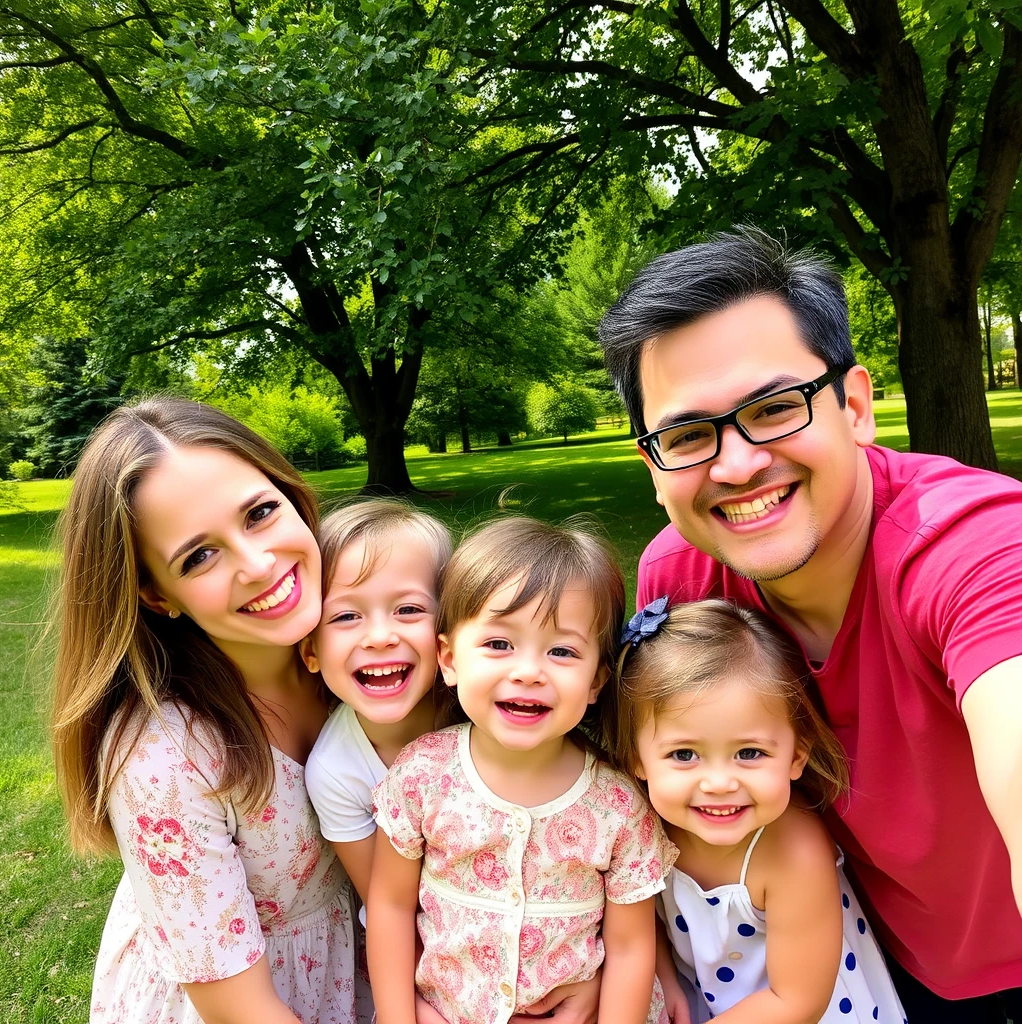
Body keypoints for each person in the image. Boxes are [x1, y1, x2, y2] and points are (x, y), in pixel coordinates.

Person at [598, 226, 1022, 1021]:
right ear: (652, 466)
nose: (736, 464)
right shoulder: (680, 581)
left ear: (854, 406)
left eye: (773, 407)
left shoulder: (975, 547)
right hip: (873, 957)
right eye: (687, 434)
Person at [50, 398, 368, 1024]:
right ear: (156, 595)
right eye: (198, 556)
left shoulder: (361, 654)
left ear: (291, 494)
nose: (257, 565)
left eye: (259, 513)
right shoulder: (162, 761)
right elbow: (243, 1013)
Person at [367, 518, 676, 1024]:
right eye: (499, 644)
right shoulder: (422, 776)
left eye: (562, 651)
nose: (529, 671)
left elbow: (630, 948)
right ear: (448, 659)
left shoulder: (618, 807)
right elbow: (390, 908)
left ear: (597, 679)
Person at [613, 597, 905, 1024]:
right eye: (683, 754)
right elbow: (638, 915)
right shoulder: (646, 825)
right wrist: (665, 977)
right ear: (637, 759)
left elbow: (796, 1002)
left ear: (795, 756)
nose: (718, 783)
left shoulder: (793, 853)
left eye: (749, 752)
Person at [302, 498, 453, 906]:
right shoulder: (338, 772)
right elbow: (390, 907)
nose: (379, 636)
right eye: (346, 616)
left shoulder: (482, 713)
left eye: (408, 609)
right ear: (310, 651)